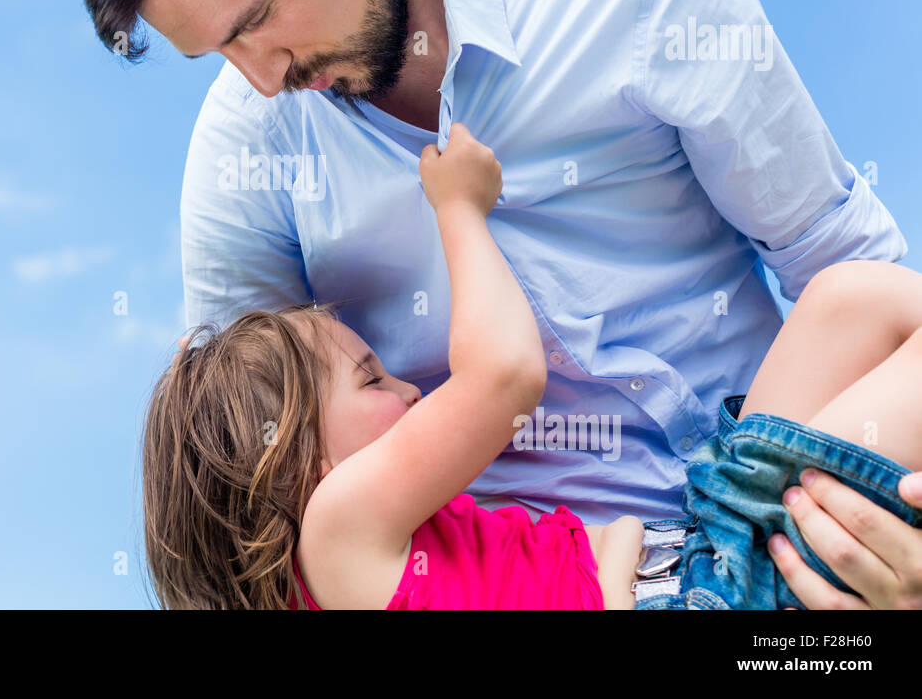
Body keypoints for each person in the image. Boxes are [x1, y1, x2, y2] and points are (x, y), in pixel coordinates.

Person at [61, 0, 922, 607]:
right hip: (550, 585)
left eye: (258, 21)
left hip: (776, 514)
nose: (259, 77)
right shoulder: (245, 155)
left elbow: (841, 267)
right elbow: (249, 487)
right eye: (218, 51)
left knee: (861, 295)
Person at [142, 126, 922, 609]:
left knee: (845, 300)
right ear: (297, 457)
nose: (412, 387)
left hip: (688, 560)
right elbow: (506, 376)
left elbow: (607, 550)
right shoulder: (337, 531)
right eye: (371, 379)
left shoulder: (377, 558)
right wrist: (458, 208)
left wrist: (619, 565)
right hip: (698, 594)